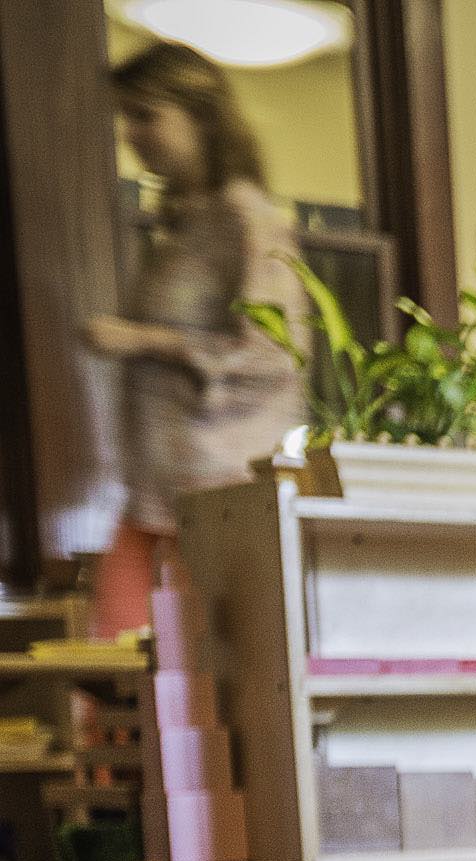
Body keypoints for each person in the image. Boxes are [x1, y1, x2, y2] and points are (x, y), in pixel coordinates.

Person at [83, 41, 305, 639]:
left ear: (199, 115)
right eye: (126, 117)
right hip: (154, 492)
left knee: (202, 693)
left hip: (216, 494)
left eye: (146, 115)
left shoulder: (249, 220)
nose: (132, 134)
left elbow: (273, 355)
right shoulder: (180, 224)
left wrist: (142, 340)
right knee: (112, 675)